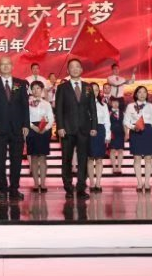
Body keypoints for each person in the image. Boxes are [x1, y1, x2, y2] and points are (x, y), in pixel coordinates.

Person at [0, 56, 29, 201]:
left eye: (8, 64)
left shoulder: (21, 84)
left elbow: (25, 106)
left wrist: (26, 125)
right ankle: (2, 189)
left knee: (16, 160)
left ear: (12, 66)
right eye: (2, 64)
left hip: (17, 129)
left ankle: (14, 189)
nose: (5, 66)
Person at [54, 58, 97, 200]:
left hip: (84, 129)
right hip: (67, 129)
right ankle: (68, 187)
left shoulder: (88, 87)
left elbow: (93, 108)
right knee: (66, 159)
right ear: (68, 70)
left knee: (83, 159)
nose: (75, 69)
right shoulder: (62, 87)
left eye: (77, 66)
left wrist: (94, 126)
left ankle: (81, 188)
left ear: (81, 70)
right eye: (72, 67)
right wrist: (60, 126)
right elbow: (58, 109)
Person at [124, 85, 152, 192]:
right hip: (136, 132)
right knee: (137, 158)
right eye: (140, 92)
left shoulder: (151, 106)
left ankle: (147, 182)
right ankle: (139, 183)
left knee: (148, 158)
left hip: (148, 132)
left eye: (144, 92)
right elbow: (126, 121)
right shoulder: (130, 106)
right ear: (136, 94)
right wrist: (133, 127)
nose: (142, 94)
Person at [26, 80, 54, 193]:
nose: (35, 90)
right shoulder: (27, 103)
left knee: (42, 157)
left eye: (38, 88)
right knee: (33, 157)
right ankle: (35, 183)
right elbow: (25, 117)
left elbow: (51, 118)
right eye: (33, 88)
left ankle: (43, 183)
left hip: (44, 130)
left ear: (42, 90)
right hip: (32, 130)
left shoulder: (46, 104)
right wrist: (33, 127)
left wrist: (45, 128)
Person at [87, 82, 112, 192]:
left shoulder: (103, 105)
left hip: (100, 131)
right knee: (89, 158)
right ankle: (91, 183)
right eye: (92, 90)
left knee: (99, 159)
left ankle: (98, 183)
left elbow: (107, 121)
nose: (94, 92)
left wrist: (108, 135)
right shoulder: (83, 105)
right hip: (88, 131)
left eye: (96, 90)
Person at [108, 97, 126, 175]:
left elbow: (124, 124)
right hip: (112, 133)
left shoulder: (122, 113)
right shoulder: (108, 113)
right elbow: (106, 124)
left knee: (120, 150)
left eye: (117, 102)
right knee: (112, 150)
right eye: (113, 102)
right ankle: (114, 168)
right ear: (111, 103)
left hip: (120, 133)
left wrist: (126, 134)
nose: (115, 104)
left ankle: (119, 168)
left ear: (119, 103)